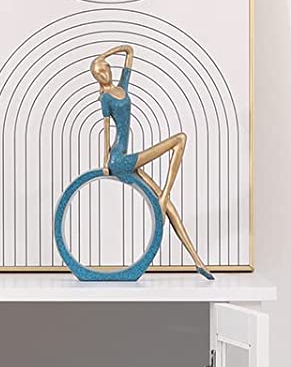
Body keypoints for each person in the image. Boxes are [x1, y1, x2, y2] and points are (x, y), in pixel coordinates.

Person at [90, 45, 213, 278]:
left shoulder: (121, 89)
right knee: (180, 139)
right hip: (119, 159)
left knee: (170, 210)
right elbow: (106, 130)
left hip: (128, 158)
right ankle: (165, 193)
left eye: (105, 68)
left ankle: (198, 262)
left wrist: (103, 55)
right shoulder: (105, 97)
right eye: (99, 72)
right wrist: (105, 163)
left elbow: (129, 51)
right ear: (96, 78)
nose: (105, 72)